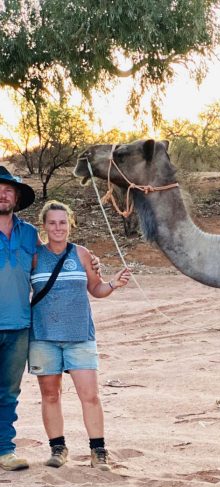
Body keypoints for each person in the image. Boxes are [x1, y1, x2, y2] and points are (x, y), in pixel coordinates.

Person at [29, 200, 131, 470]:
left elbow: (95, 289)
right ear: (45, 226)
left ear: (70, 223)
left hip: (80, 336)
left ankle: (98, 451)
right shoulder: (35, 256)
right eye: (52, 222)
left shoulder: (83, 254)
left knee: (90, 395)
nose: (58, 227)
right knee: (50, 395)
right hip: (43, 336)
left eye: (63, 222)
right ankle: (58, 449)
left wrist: (112, 284)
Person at [0, 166, 38, 471]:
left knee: (9, 392)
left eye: (8, 189)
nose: (3, 194)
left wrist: (84, 257)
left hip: (19, 326)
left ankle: (4, 450)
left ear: (16, 196)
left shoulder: (30, 234)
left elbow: (49, 260)